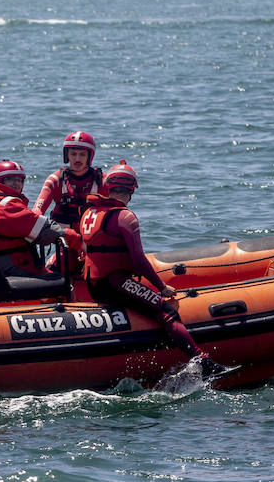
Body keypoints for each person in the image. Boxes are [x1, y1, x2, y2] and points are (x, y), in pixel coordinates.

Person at [80, 160, 235, 379]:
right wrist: (161, 287)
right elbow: (139, 259)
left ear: (108, 187)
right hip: (114, 284)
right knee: (167, 312)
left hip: (95, 284)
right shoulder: (126, 217)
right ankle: (204, 363)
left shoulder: (88, 213)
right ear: (131, 190)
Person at [0, 160, 76, 276]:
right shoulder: (8, 205)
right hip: (12, 267)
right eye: (10, 179)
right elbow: (46, 231)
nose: (16, 184)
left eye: (19, 180)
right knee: (60, 279)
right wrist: (75, 238)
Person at [34, 130, 104, 226]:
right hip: (61, 237)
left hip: (92, 238)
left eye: (82, 154)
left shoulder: (102, 180)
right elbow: (38, 209)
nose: (77, 159)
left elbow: (116, 211)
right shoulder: (55, 180)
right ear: (67, 155)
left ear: (89, 156)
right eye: (73, 154)